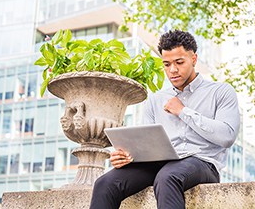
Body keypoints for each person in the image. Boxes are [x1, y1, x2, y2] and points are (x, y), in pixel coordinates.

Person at [89, 30, 240, 209]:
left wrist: (183, 111)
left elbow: (227, 136)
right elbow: (145, 144)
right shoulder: (156, 99)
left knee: (168, 177)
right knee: (105, 183)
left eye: (179, 62)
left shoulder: (221, 92)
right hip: (159, 164)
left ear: (194, 58)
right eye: (166, 64)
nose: (173, 70)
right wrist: (127, 157)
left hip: (203, 163)